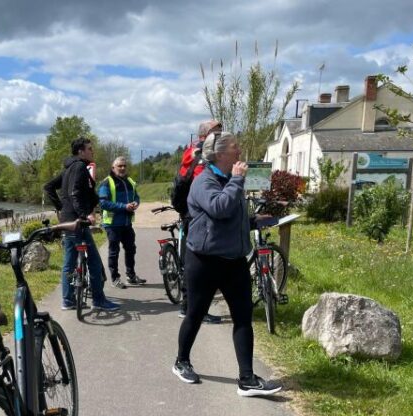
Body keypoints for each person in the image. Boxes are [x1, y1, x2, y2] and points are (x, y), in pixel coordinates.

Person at [171, 131, 282, 396]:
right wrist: (237, 179)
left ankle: (247, 379)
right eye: (235, 147)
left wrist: (253, 221)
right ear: (220, 154)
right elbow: (219, 207)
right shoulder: (204, 181)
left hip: (234, 260)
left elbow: (230, 215)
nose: (239, 151)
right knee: (195, 314)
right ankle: (181, 360)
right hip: (204, 261)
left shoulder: (231, 180)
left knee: (243, 317)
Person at [43, 137, 120, 312]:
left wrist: (62, 209)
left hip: (67, 220)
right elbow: (75, 193)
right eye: (89, 148)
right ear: (80, 151)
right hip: (77, 222)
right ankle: (99, 300)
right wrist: (85, 214)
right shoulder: (78, 167)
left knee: (69, 262)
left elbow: (48, 187)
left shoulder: (69, 168)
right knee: (93, 260)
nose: (92, 151)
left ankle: (67, 300)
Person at [175, 120, 223, 323]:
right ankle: (194, 309)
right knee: (199, 263)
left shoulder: (197, 152)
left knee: (195, 262)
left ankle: (188, 307)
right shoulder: (198, 154)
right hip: (196, 215)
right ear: (204, 135)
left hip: (192, 212)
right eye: (217, 132)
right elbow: (203, 187)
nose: (221, 135)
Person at [98, 157, 146, 288]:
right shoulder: (107, 182)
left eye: (124, 166)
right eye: (119, 166)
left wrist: (136, 202)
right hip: (112, 224)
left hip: (126, 223)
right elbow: (103, 203)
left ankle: (131, 276)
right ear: (113, 168)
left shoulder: (129, 181)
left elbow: (136, 196)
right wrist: (123, 206)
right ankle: (115, 279)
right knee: (114, 251)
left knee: (131, 249)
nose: (123, 168)